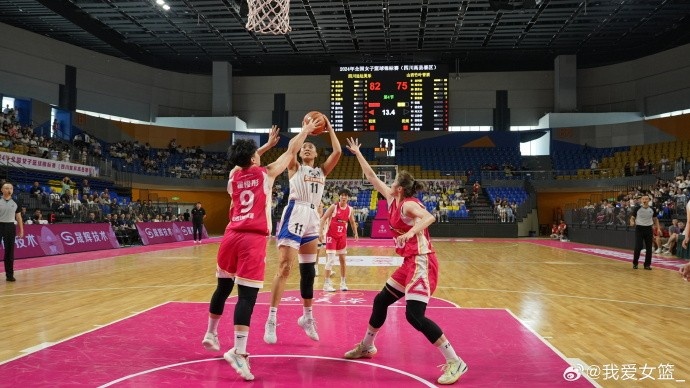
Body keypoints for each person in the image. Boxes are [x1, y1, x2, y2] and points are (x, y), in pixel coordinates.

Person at [342, 137, 468, 385]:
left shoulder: (408, 205)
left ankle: (455, 361)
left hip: (422, 262)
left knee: (414, 316)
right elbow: (370, 176)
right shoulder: (391, 200)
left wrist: (410, 232)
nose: (388, 182)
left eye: (393, 181)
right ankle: (367, 346)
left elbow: (429, 217)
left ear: (399, 187)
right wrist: (358, 152)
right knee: (381, 301)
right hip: (408, 263)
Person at [201, 123, 314, 381]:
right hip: (252, 239)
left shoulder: (233, 175)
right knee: (246, 298)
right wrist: (305, 129)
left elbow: (243, 162)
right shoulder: (267, 174)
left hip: (229, 237)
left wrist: (263, 148)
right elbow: (292, 150)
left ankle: (210, 333)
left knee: (222, 288)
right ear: (254, 158)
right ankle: (239, 352)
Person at [263, 116, 342, 345]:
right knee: (285, 266)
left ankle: (307, 317)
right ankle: (271, 319)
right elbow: (292, 148)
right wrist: (306, 131)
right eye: (304, 147)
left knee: (309, 272)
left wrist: (329, 126)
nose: (307, 148)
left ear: (316, 155)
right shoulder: (294, 166)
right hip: (295, 212)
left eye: (311, 148)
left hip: (312, 217)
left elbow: (337, 152)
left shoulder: (321, 171)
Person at [320, 188, 359, 292]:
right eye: (342, 195)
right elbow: (323, 218)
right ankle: (326, 284)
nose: (343, 197)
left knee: (343, 260)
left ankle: (343, 283)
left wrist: (355, 232)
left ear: (348, 198)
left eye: (345, 195)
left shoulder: (350, 209)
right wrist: (320, 232)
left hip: (342, 236)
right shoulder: (333, 207)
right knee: (331, 259)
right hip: (331, 236)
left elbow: (352, 221)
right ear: (339, 196)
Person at [1, 182, 24, 282]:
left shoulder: (16, 202)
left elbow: (18, 217)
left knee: (9, 252)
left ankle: (9, 275)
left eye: (11, 188)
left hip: (10, 226)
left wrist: (21, 230)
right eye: (6, 188)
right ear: (2, 190)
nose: (9, 190)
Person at [630, 194, 660, 270]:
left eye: (646, 199)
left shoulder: (652, 209)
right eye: (643, 199)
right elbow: (632, 218)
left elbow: (656, 219)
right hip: (639, 229)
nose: (644, 200)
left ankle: (647, 265)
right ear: (641, 200)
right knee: (638, 247)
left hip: (649, 229)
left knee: (649, 248)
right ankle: (635, 263)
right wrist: (632, 222)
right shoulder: (637, 208)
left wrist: (658, 228)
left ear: (649, 200)